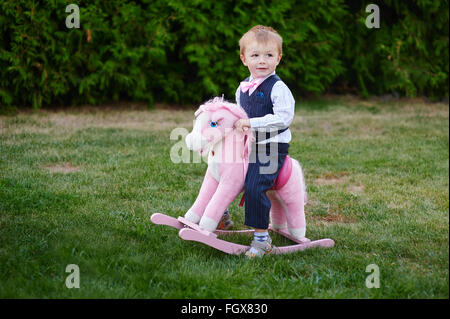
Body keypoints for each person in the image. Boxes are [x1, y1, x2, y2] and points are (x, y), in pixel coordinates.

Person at [234, 25, 295, 257]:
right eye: (255, 55)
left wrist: (252, 124)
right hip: (249, 143)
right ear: (243, 59)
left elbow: (283, 119)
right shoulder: (242, 88)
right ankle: (220, 216)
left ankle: (262, 240)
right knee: (223, 172)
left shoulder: (278, 88)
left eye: (269, 55)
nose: (262, 61)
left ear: (278, 58)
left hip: (271, 147)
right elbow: (238, 116)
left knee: (255, 184)